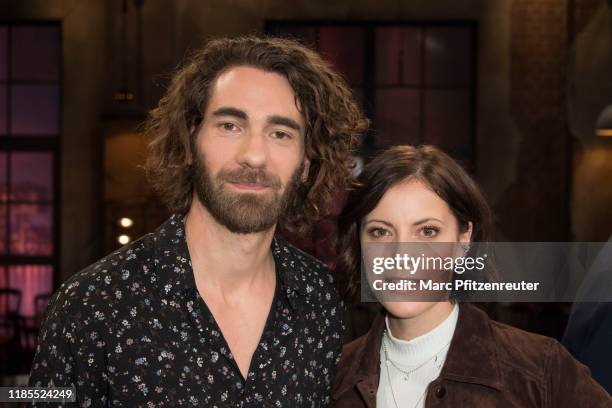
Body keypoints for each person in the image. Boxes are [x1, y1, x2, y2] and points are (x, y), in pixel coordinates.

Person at [28, 36, 367, 407]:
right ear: (190, 141)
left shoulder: (322, 301)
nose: (254, 155)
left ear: (305, 163)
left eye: (280, 133)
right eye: (230, 126)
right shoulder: (91, 304)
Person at [331, 145, 611, 407]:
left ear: (464, 238)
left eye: (427, 231)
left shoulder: (540, 370)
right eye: (380, 232)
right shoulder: (332, 377)